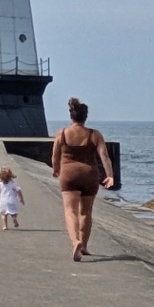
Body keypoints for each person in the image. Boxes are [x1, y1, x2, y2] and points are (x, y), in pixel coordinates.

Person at [51, 97, 115, 262]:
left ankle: (75, 242)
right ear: (85, 117)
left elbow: (55, 155)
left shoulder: (62, 133)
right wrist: (110, 176)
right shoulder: (94, 134)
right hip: (90, 175)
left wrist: (56, 169)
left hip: (69, 174)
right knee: (86, 212)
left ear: (71, 116)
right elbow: (104, 156)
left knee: (70, 210)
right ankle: (84, 245)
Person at [0, 166, 24, 230]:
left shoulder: (0, 184)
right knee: (13, 213)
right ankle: (14, 219)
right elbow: (19, 191)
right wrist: (21, 199)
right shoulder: (13, 183)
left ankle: (5, 226)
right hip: (12, 201)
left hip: (3, 201)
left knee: (3, 214)